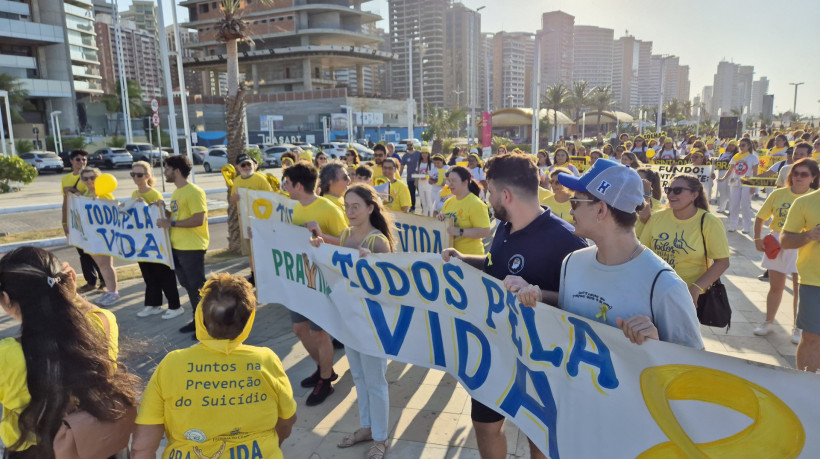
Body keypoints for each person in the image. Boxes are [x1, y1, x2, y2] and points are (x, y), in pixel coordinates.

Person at [441, 153, 587, 459]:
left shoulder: (567, 241)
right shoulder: (504, 227)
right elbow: (495, 265)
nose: (489, 199)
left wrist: (539, 294)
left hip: (542, 362)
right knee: (485, 426)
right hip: (495, 351)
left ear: (506, 194)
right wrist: (465, 259)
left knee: (540, 436)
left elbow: (584, 305)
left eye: (491, 192)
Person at [131, 274, 297, 459]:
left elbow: (142, 447)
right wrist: (273, 445)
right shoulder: (266, 360)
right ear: (249, 320)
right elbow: (287, 419)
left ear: (200, 315)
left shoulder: (172, 364)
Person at [0, 246, 139, 458]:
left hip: (36, 451)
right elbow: (93, 311)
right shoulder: (102, 324)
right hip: (101, 444)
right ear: (67, 281)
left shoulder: (7, 355)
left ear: (5, 298)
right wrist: (71, 293)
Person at [556, 159, 703, 349]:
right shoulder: (571, 263)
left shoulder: (666, 285)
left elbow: (694, 362)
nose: (570, 210)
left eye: (575, 203)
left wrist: (656, 345)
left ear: (601, 210)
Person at [311, 184, 394, 459]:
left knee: (375, 381)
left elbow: (391, 286)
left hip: (373, 323)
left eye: (355, 206)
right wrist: (321, 247)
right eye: (346, 206)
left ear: (370, 208)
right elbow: (336, 267)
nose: (349, 211)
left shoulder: (377, 241)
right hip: (349, 319)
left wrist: (374, 266)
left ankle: (380, 438)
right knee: (358, 376)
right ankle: (367, 428)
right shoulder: (346, 234)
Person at [282, 161, 347, 405]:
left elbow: (347, 242)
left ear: (299, 185)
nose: (284, 187)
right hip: (301, 277)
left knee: (319, 332)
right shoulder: (297, 208)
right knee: (299, 328)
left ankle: (325, 382)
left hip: (323, 280)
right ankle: (324, 370)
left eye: (287, 183)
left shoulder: (329, 209)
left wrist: (321, 236)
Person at [753, 158, 819, 342]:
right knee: (776, 287)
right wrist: (757, 238)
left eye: (804, 174)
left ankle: (798, 327)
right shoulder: (778, 194)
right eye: (795, 173)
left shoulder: (814, 198)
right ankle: (768, 322)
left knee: (800, 289)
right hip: (778, 242)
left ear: (813, 177)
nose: (799, 177)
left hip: (803, 243)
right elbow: (760, 216)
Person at [639, 174, 731, 306]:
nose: (671, 194)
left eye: (678, 190)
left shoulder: (709, 222)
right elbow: (642, 253)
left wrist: (696, 289)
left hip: (690, 296)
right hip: (655, 290)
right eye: (669, 190)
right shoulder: (657, 218)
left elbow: (722, 262)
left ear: (694, 195)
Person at [156, 155, 209, 334]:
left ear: (177, 171)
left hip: (192, 246)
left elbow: (199, 219)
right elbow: (178, 217)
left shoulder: (194, 191)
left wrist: (170, 223)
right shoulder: (177, 192)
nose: (165, 172)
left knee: (197, 287)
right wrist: (163, 210)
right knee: (188, 285)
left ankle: (206, 325)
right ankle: (197, 320)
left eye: (167, 169)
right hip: (178, 246)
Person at [131, 161, 184, 319]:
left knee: (164, 274)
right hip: (143, 242)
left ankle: (175, 306)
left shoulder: (154, 194)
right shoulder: (134, 194)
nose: (136, 177)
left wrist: (148, 205)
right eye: (133, 174)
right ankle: (153, 304)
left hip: (157, 242)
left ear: (147, 176)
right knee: (148, 275)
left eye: (139, 174)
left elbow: (158, 213)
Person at [781, 171, 820, 372]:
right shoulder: (805, 202)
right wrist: (809, 236)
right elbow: (785, 241)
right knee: (812, 337)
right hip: (814, 281)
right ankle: (803, 383)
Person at [61, 149, 104, 294]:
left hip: (91, 221)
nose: (82, 162)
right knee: (83, 253)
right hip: (76, 221)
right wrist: (65, 222)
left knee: (95, 252)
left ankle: (104, 281)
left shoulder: (90, 176)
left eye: (84, 159)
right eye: (78, 159)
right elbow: (66, 201)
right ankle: (90, 281)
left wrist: (73, 190)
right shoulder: (66, 179)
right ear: (71, 161)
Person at [79, 167, 121, 306]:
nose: (89, 181)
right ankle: (110, 291)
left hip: (103, 235)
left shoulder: (105, 194)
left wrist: (98, 201)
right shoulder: (86, 193)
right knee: (101, 265)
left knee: (106, 265)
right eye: (85, 178)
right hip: (91, 235)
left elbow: (112, 210)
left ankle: (113, 293)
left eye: (92, 177)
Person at [229, 153, 273, 285]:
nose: (247, 167)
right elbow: (232, 200)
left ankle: (267, 275)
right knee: (251, 252)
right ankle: (254, 275)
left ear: (253, 165)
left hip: (261, 221)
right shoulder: (237, 181)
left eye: (249, 164)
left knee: (263, 250)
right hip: (245, 222)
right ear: (238, 167)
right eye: (243, 165)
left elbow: (270, 198)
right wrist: (234, 199)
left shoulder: (260, 179)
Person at [438, 166, 491, 255]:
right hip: (450, 257)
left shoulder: (476, 204)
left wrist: (459, 231)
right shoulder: (448, 202)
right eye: (449, 181)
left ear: (465, 182)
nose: (450, 184)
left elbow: (485, 231)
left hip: (470, 257)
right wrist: (440, 218)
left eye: (454, 181)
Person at [720, 137, 760, 233]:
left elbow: (755, 173)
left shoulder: (753, 158)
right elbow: (730, 170)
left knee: (745, 205)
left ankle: (746, 227)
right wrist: (723, 178)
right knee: (734, 204)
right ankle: (733, 225)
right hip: (735, 182)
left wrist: (754, 186)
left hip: (747, 183)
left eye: (743, 145)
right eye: (740, 145)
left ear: (749, 146)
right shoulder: (736, 157)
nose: (741, 147)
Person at [715, 141, 738, 213]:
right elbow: (717, 164)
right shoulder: (722, 154)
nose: (731, 147)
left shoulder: (736, 155)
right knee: (722, 191)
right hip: (721, 173)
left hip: (732, 174)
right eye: (730, 145)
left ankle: (731, 210)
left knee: (731, 192)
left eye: (733, 146)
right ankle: (722, 207)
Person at [399, 141, 420, 212]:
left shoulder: (418, 154)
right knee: (411, 194)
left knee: (421, 193)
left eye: (410, 145)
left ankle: (424, 208)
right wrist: (399, 176)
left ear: (413, 145)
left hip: (418, 177)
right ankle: (412, 208)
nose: (409, 146)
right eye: (408, 145)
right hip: (410, 178)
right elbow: (402, 167)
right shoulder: (405, 156)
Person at [416, 147, 435, 216]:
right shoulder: (419, 163)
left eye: (426, 153)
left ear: (428, 154)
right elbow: (417, 172)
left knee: (430, 202)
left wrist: (426, 176)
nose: (424, 155)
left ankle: (431, 216)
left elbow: (433, 174)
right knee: (423, 203)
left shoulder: (431, 164)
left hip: (429, 186)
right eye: (423, 153)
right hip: (420, 185)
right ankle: (425, 216)